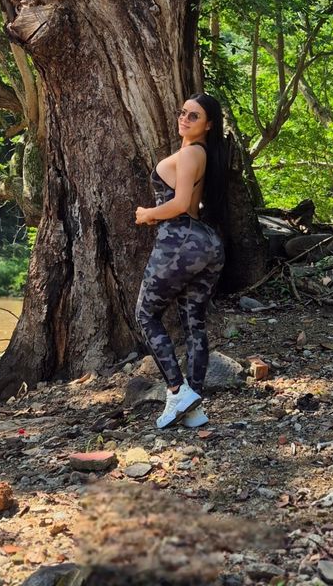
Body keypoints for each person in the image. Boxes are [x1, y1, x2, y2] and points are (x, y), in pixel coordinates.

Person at [134, 92, 226, 429]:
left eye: (194, 116)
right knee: (193, 322)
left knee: (146, 314)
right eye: (182, 112)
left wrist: (148, 214)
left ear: (209, 124)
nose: (184, 119)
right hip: (207, 243)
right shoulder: (205, 154)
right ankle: (193, 408)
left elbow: (181, 204)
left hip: (179, 240)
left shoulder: (190, 154)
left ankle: (177, 390)